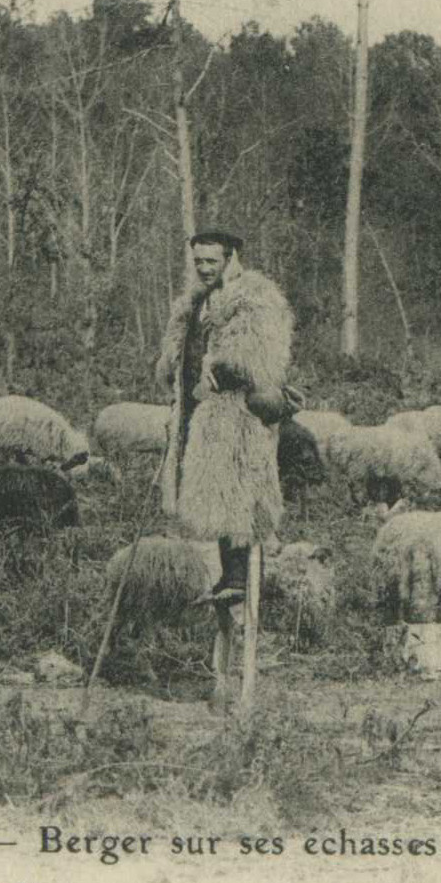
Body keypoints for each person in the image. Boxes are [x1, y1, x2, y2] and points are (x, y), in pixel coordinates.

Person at [154, 229, 296, 608]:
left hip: (235, 415)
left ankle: (242, 578)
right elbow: (176, 356)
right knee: (214, 494)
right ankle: (226, 577)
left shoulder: (254, 298)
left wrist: (219, 370)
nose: (203, 269)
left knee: (240, 494)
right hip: (198, 414)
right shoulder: (193, 304)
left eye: (211, 262)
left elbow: (259, 358)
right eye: (198, 261)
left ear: (230, 259)